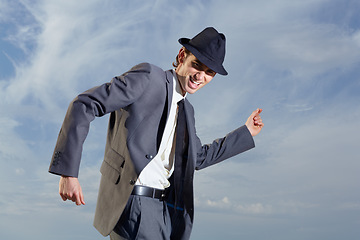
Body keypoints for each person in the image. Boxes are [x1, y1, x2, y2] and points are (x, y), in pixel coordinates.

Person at [49, 27, 264, 240]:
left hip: (165, 210)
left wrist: (246, 132)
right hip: (133, 202)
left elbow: (198, 158)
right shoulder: (149, 78)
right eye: (196, 65)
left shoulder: (187, 111)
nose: (200, 76)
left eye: (209, 72)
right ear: (182, 56)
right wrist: (68, 172)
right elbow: (85, 104)